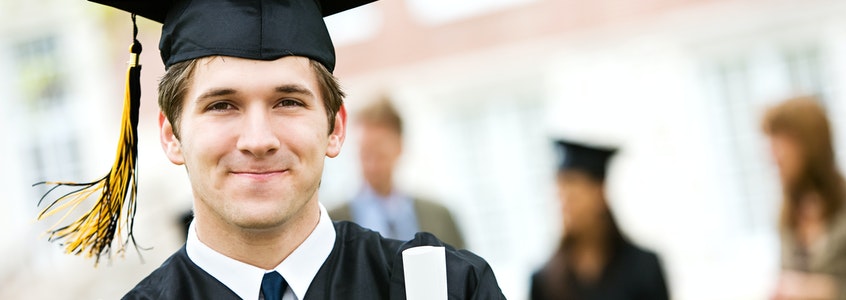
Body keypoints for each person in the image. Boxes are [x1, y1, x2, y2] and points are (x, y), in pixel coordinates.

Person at [41, 0, 506, 299]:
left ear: (335, 128)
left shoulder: (443, 288)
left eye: (288, 101)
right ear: (170, 135)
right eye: (223, 105)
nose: (259, 139)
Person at [763, 96, 846, 300]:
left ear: (811, 146)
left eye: (782, 142)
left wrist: (830, 290)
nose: (773, 155)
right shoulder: (787, 214)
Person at [530, 140, 668, 300]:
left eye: (574, 194)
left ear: (599, 192)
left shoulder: (644, 268)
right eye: (561, 196)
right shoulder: (545, 280)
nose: (566, 206)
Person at [329, 97, 465, 248]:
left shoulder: (440, 217)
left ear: (399, 147)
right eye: (365, 153)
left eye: (380, 153)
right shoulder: (332, 224)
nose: (372, 165)